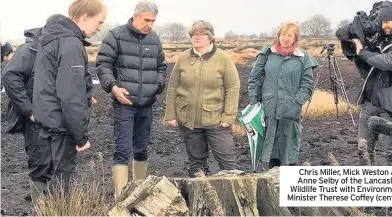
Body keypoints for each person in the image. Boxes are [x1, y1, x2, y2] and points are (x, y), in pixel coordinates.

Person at [32, 0, 107, 193]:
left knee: (54, 178)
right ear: (84, 16)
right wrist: (81, 137)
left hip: (48, 119)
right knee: (61, 183)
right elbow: (69, 96)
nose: (100, 28)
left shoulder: (51, 37)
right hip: (62, 125)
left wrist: (84, 94)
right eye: (99, 22)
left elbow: (52, 82)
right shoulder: (71, 43)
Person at [96, 0, 166, 198]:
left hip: (146, 105)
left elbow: (161, 66)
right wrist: (113, 87)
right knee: (122, 150)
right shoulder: (116, 36)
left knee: (142, 149)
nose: (150, 25)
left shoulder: (154, 39)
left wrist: (157, 85)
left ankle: (140, 194)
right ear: (136, 16)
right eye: (146, 20)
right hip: (124, 105)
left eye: (153, 21)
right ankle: (121, 197)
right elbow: (103, 64)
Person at [164, 20, 240, 178]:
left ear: (210, 37)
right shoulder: (183, 58)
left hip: (216, 120)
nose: (197, 37)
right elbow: (173, 87)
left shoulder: (223, 58)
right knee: (197, 165)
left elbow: (233, 88)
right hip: (189, 121)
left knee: (228, 165)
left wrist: (229, 116)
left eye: (201, 34)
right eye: (194, 34)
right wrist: (170, 114)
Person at [248, 21, 318, 168]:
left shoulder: (303, 57)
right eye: (283, 34)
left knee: (288, 150)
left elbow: (307, 84)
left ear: (295, 38)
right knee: (269, 149)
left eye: (290, 35)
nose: (286, 38)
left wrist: (297, 102)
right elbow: (254, 78)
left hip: (290, 110)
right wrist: (254, 101)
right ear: (278, 35)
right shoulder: (267, 53)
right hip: (269, 108)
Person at [352, 0, 392, 166]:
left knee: (391, 152)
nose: (385, 25)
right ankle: (368, 185)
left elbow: (388, 62)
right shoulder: (379, 38)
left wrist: (361, 51)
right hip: (370, 102)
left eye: (388, 21)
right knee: (364, 148)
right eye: (382, 22)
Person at [2, 27, 52, 204]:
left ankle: (56, 204)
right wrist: (28, 109)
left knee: (58, 162)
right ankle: (40, 207)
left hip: (59, 115)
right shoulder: (29, 50)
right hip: (36, 116)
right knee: (40, 160)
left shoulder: (64, 47)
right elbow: (9, 76)